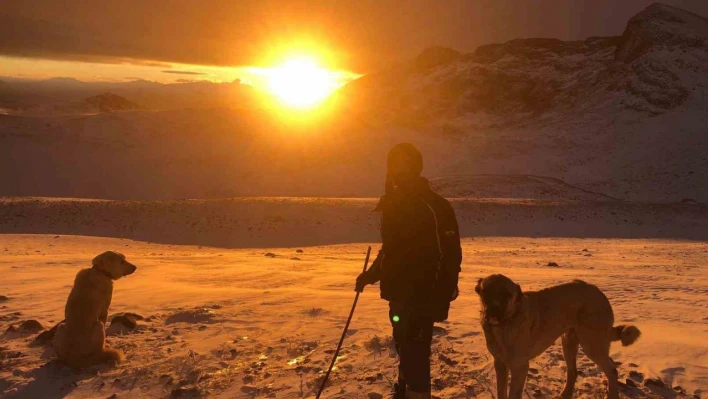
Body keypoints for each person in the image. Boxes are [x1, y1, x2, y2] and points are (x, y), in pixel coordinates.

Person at [356, 143, 462, 399]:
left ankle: (418, 393)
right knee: (403, 343)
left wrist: (442, 295)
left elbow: (450, 254)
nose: (399, 172)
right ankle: (404, 389)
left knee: (416, 351)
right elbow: (389, 250)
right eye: (395, 166)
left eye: (405, 165)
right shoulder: (392, 204)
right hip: (397, 293)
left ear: (416, 167)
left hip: (424, 294)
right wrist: (370, 275)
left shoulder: (436, 207)